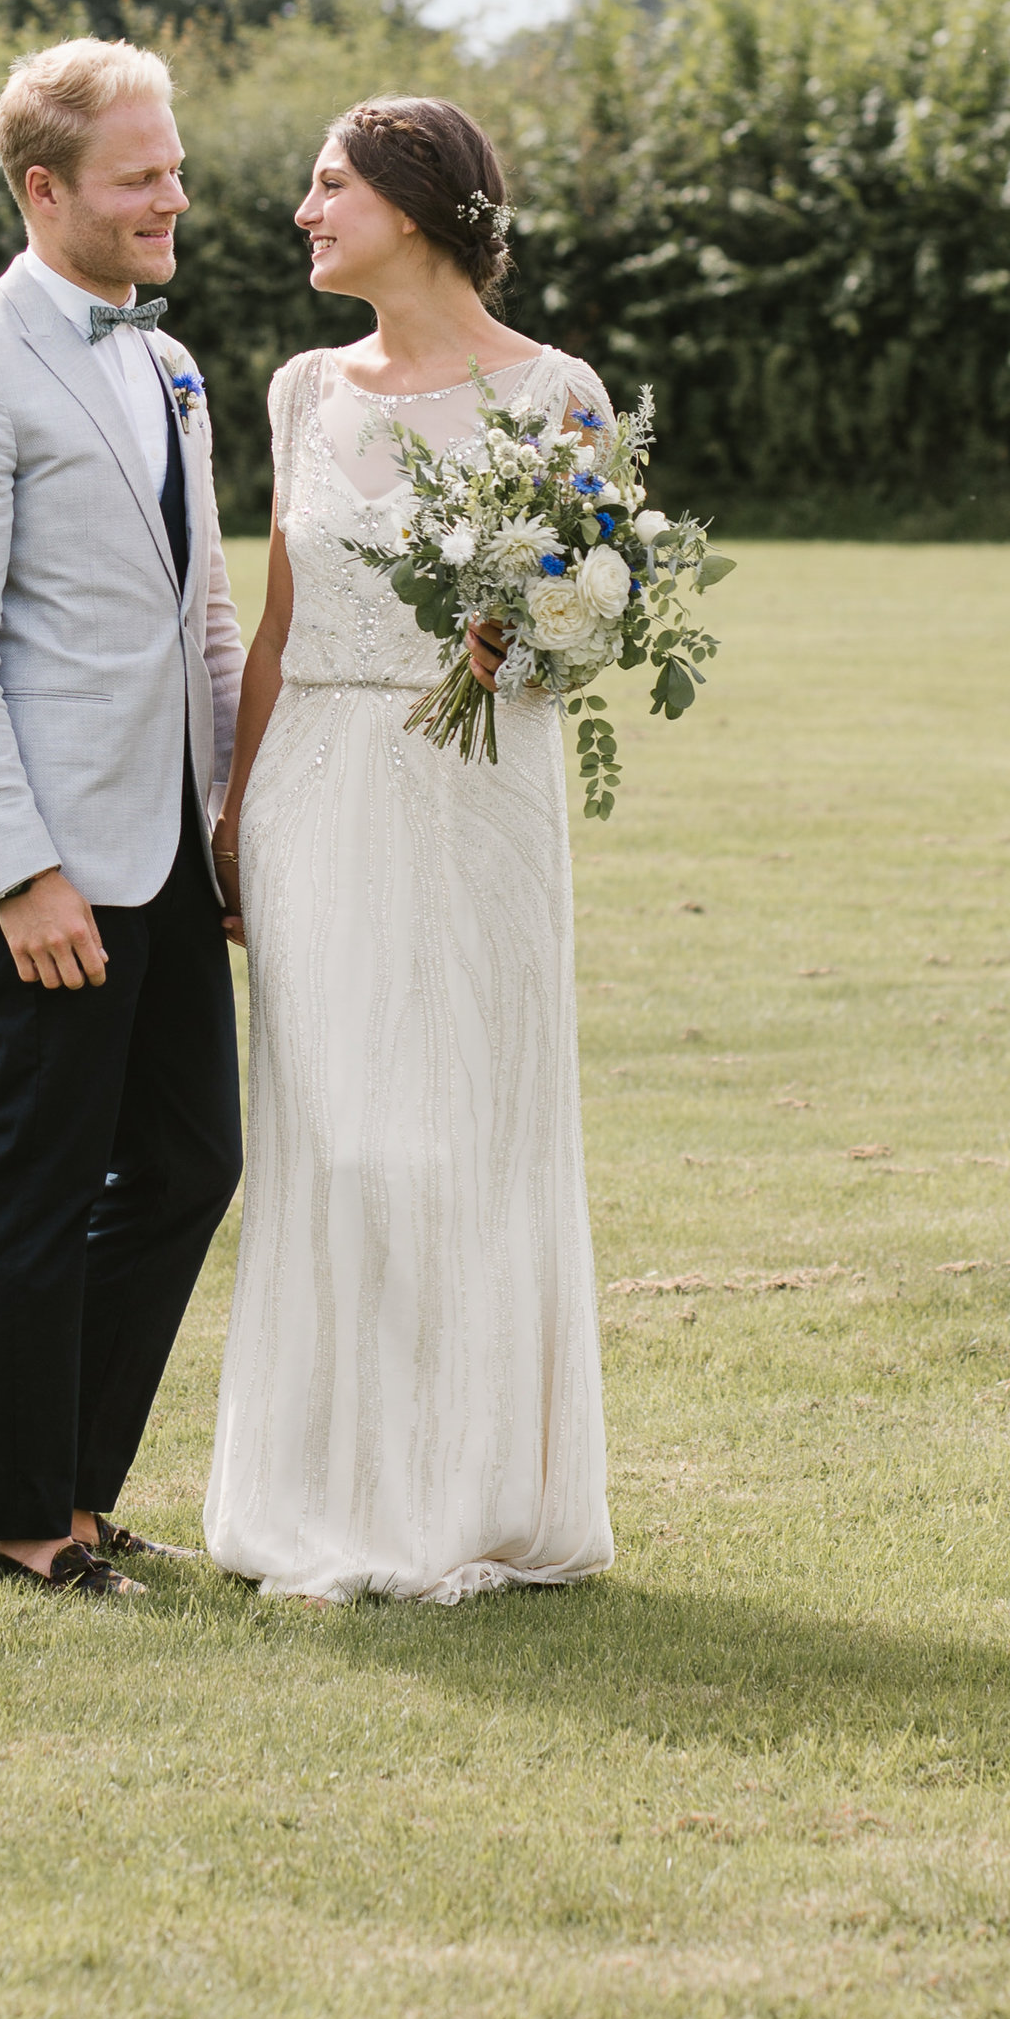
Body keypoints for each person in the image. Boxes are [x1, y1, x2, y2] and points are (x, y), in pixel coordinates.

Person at [203, 95, 615, 1604]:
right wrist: (237, 812)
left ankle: (475, 1491)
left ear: (418, 205)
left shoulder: (559, 391)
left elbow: (584, 618)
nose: (304, 212)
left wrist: (539, 629)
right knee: (342, 1136)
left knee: (467, 1131)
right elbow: (278, 615)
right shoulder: (306, 388)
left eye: (329, 186)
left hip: (478, 789)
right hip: (320, 782)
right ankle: (328, 1491)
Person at [0, 38, 244, 1599]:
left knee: (188, 1162)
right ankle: (20, 1520)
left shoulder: (165, 360)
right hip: (42, 863)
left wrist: (233, 825)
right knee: (34, 1177)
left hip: (167, 851)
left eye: (172, 165)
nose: (175, 195)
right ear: (46, 190)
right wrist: (22, 871)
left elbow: (204, 614)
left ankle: (79, 1489)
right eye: (139, 175)